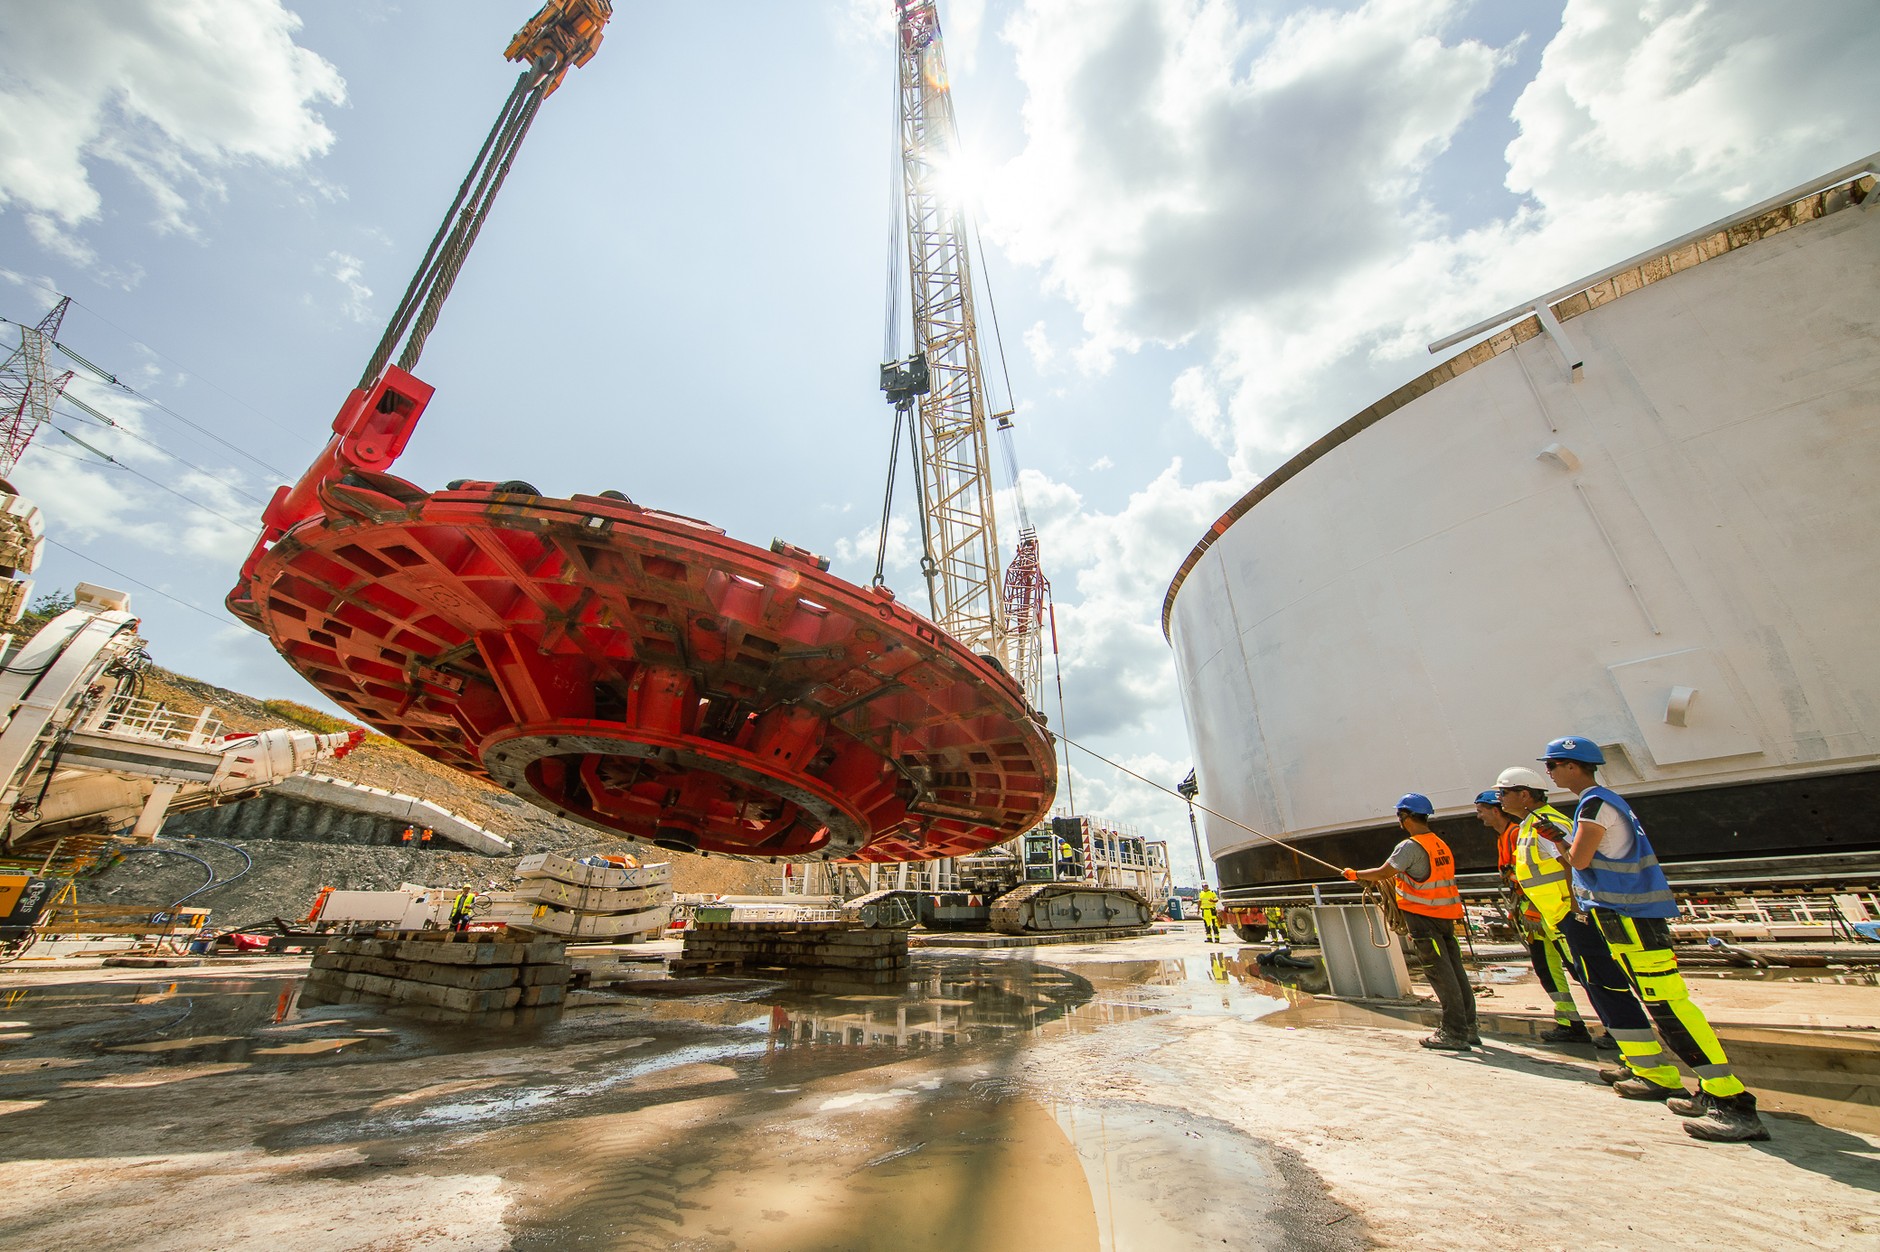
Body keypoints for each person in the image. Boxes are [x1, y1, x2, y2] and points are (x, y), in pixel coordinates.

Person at [1542, 736, 1769, 1143]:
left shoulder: (1594, 804)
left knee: (1668, 1006)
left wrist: (1557, 841)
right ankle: (1706, 1090)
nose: (1550, 772)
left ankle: (1731, 1101)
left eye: (1554, 765)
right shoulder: (1608, 802)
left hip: (1630, 917)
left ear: (1573, 766)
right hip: (1627, 918)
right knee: (1662, 1002)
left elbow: (1580, 859)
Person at [1498, 767, 1674, 1081]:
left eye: (1503, 793)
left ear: (1524, 794)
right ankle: (1635, 1060)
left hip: (1574, 917)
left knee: (1606, 984)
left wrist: (1577, 909)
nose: (1499, 799)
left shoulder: (1544, 825)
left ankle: (1648, 1065)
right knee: (1597, 985)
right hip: (1562, 919)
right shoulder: (1529, 826)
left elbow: (1571, 863)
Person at [1344, 793, 1478, 1051]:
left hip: (1424, 919)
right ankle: (1469, 1027)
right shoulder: (1438, 843)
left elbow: (1385, 872)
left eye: (1399, 815)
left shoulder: (1410, 846)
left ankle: (1454, 1031)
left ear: (1405, 817)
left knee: (1440, 973)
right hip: (1445, 916)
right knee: (1455, 970)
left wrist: (1355, 874)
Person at [1477, 783, 1596, 1044]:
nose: (1478, 816)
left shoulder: (1519, 832)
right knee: (1547, 967)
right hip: (1540, 913)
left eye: (1482, 810)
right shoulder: (1512, 834)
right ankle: (1569, 1022)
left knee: (1580, 968)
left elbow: (1562, 866)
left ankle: (1607, 1024)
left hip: (1551, 912)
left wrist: (1531, 909)